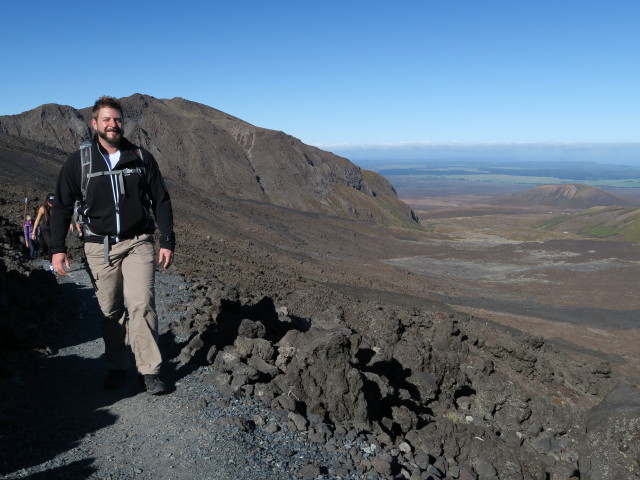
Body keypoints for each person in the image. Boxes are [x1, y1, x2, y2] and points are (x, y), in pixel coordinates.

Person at [50, 96, 175, 395]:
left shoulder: (140, 158)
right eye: (106, 119)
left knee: (141, 304)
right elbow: (61, 207)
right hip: (97, 246)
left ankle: (149, 371)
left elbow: (161, 200)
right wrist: (58, 248)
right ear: (94, 124)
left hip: (138, 242)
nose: (112, 125)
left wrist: (167, 240)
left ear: (123, 123)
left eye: (117, 120)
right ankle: (118, 366)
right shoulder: (78, 162)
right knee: (110, 310)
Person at [32, 193, 55, 271]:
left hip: (54, 228)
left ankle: (55, 262)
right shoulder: (43, 208)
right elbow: (37, 220)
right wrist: (33, 232)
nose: (52, 204)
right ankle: (52, 264)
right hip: (45, 228)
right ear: (47, 201)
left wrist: (70, 223)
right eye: (50, 202)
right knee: (50, 244)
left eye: (53, 202)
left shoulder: (57, 207)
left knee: (55, 245)